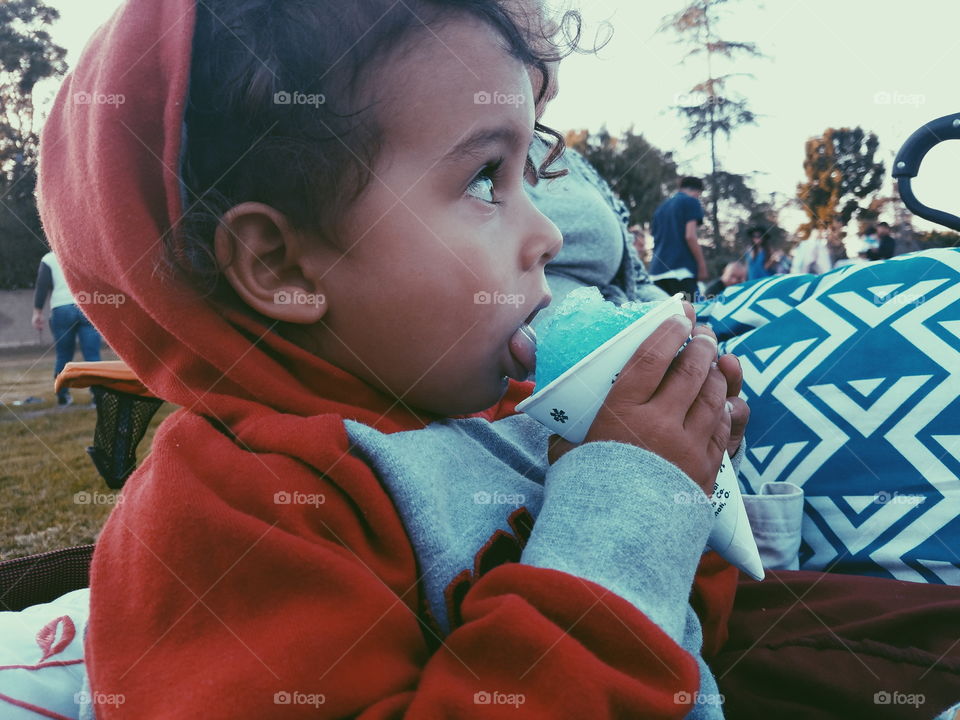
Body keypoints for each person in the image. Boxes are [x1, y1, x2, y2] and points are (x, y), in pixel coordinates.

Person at [36, 1, 749, 718]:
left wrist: (685, 484)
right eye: (483, 180)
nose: (550, 235)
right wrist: (630, 504)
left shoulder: (507, 418)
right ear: (280, 264)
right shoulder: (235, 514)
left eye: (531, 174)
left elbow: (685, 650)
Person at [31, 250, 102, 406]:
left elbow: (42, 286)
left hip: (61, 309)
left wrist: (37, 312)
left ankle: (63, 396)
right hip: (87, 306)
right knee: (92, 355)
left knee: (63, 355)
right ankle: (97, 397)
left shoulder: (48, 259)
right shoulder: (85, 253)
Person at [649, 176, 707, 301]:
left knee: (666, 318)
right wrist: (701, 266)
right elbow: (690, 236)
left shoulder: (660, 209)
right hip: (681, 271)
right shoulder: (691, 201)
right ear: (697, 191)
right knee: (691, 316)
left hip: (656, 273)